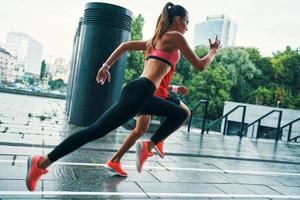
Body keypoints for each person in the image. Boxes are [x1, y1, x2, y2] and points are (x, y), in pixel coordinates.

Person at [25, 2, 221, 191]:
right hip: (140, 93)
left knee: (180, 113)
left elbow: (125, 45)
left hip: (142, 93)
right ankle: (41, 163)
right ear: (178, 20)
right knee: (95, 131)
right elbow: (201, 65)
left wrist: (106, 66)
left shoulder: (156, 40)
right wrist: (213, 51)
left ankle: (148, 146)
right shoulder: (175, 36)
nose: (187, 27)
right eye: (186, 22)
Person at [106, 82, 190, 177]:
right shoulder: (167, 66)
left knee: (140, 130)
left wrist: (175, 88)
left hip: (146, 93)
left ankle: (115, 161)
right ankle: (155, 143)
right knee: (184, 113)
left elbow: (160, 81)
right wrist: (176, 88)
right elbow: (158, 81)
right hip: (155, 95)